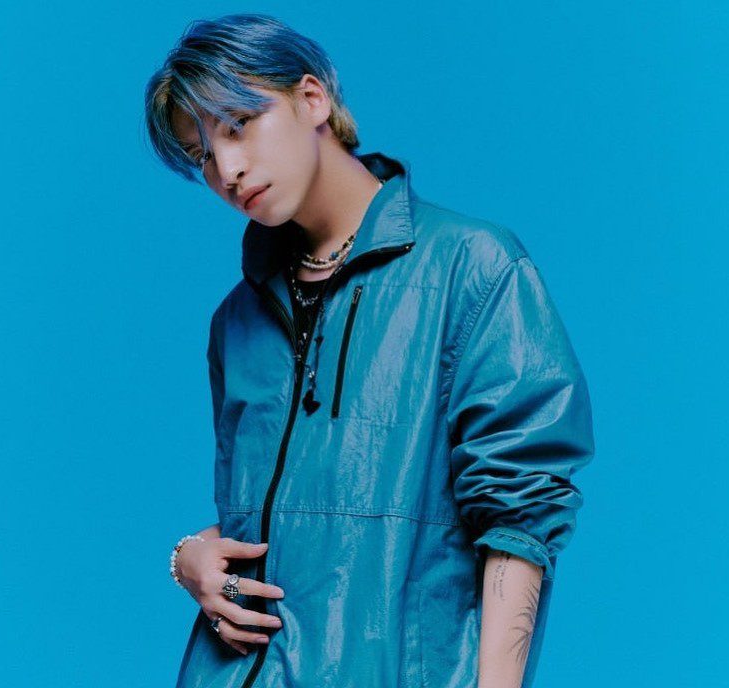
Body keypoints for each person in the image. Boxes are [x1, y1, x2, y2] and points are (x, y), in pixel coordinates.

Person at [144, 12, 595, 688]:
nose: (228, 169)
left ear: (312, 99)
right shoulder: (235, 322)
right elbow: (290, 514)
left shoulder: (472, 268)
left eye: (239, 124)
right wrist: (191, 558)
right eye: (201, 154)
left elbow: (519, 517)